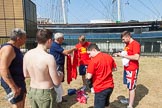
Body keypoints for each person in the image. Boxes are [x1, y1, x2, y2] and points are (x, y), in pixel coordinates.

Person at [23, 29, 63, 108]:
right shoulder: (49, 57)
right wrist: (60, 74)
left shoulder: (27, 54)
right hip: (46, 93)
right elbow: (56, 82)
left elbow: (26, 74)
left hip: (32, 90)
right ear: (49, 40)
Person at [0, 28, 27, 108]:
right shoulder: (8, 49)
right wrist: (13, 87)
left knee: (21, 102)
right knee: (17, 105)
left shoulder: (16, 48)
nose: (25, 40)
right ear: (18, 39)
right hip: (13, 82)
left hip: (19, 80)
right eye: (24, 38)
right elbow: (3, 69)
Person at [114, 31, 140, 108]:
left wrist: (123, 55)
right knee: (129, 86)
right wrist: (119, 54)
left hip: (132, 69)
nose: (123, 41)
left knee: (131, 87)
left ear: (128, 36)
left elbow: (136, 57)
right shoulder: (127, 44)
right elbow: (127, 53)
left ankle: (130, 105)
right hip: (127, 68)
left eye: (123, 39)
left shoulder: (135, 44)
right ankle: (129, 100)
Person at [86, 43, 117, 108]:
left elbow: (89, 76)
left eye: (89, 53)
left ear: (94, 50)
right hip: (110, 86)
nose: (89, 56)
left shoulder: (93, 61)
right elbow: (114, 69)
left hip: (100, 88)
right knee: (106, 104)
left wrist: (90, 86)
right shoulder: (109, 56)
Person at [49, 32, 76, 103]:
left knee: (59, 81)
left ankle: (60, 97)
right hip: (57, 65)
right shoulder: (55, 45)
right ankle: (58, 99)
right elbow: (65, 52)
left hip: (59, 65)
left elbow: (62, 53)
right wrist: (74, 49)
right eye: (62, 38)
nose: (63, 40)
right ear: (58, 39)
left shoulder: (57, 45)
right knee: (57, 82)